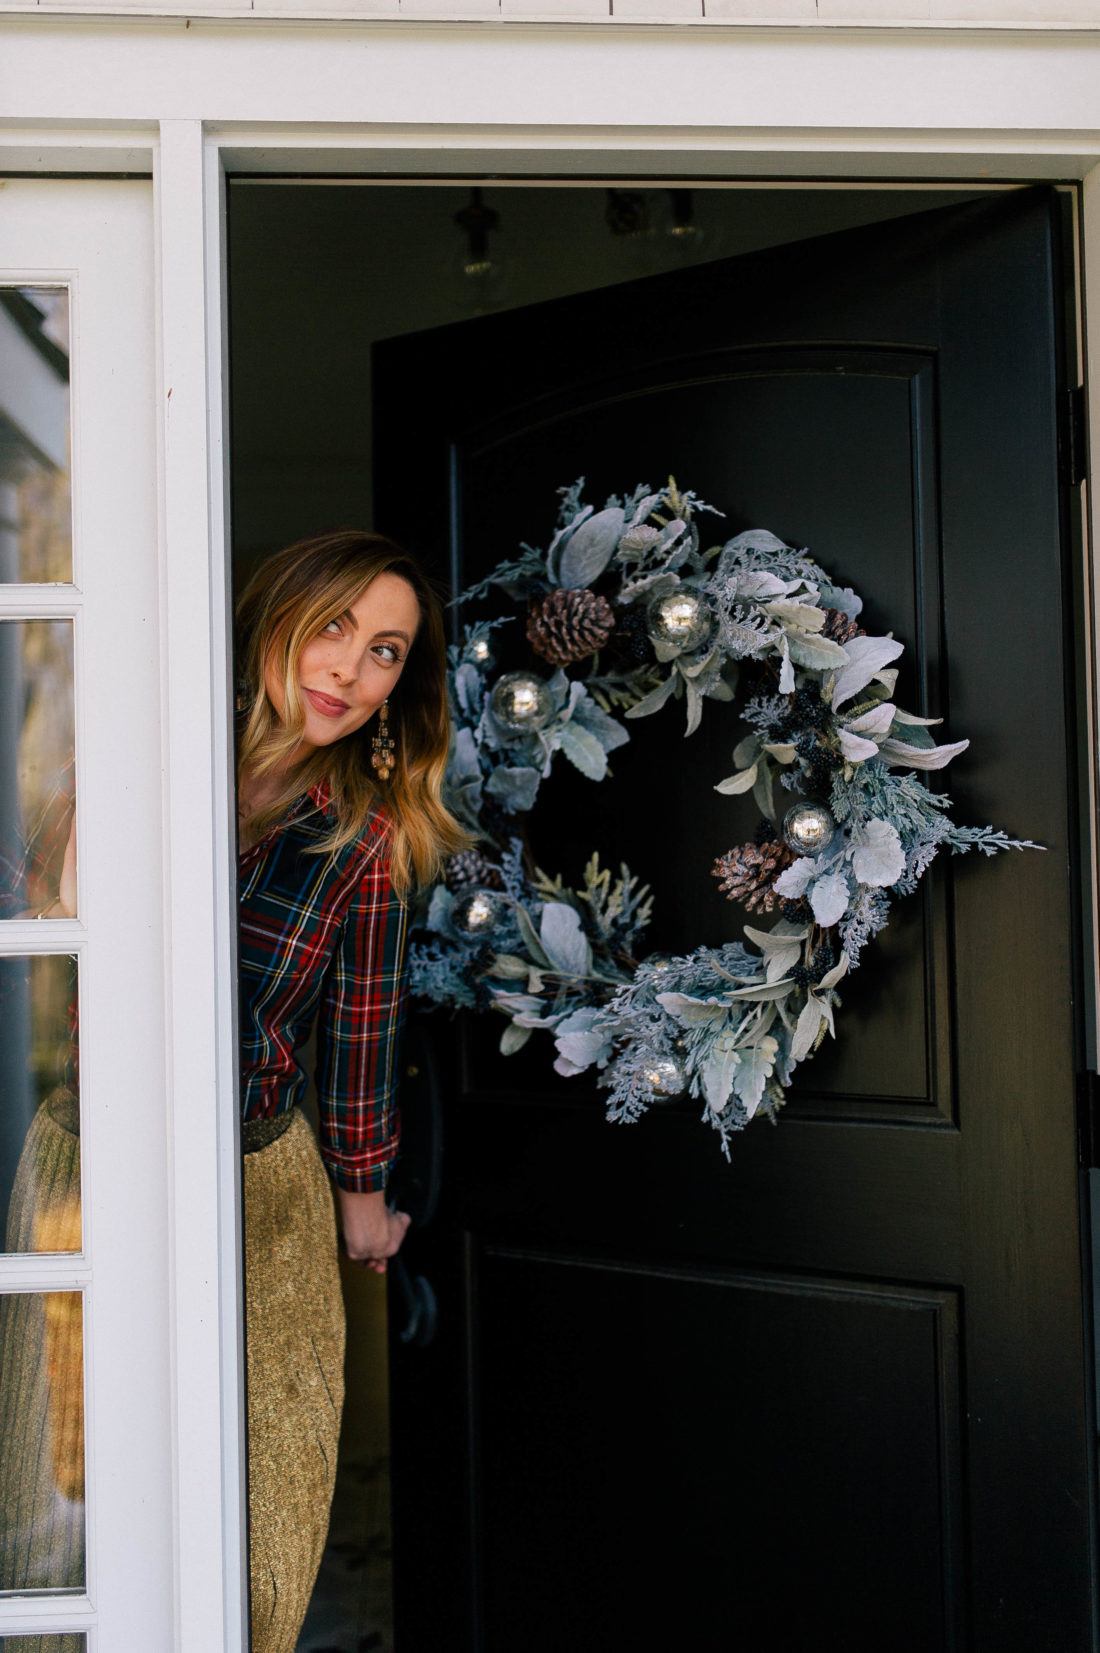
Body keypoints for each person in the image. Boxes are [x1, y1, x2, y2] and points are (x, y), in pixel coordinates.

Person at [234, 529, 464, 1653]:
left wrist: (362, 1194)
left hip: (257, 1172)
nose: (349, 669)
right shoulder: (136, 753)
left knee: (265, 1483)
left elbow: (361, 1033)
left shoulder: (365, 839)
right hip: (87, 1154)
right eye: (332, 627)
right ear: (274, 617)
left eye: (384, 652)